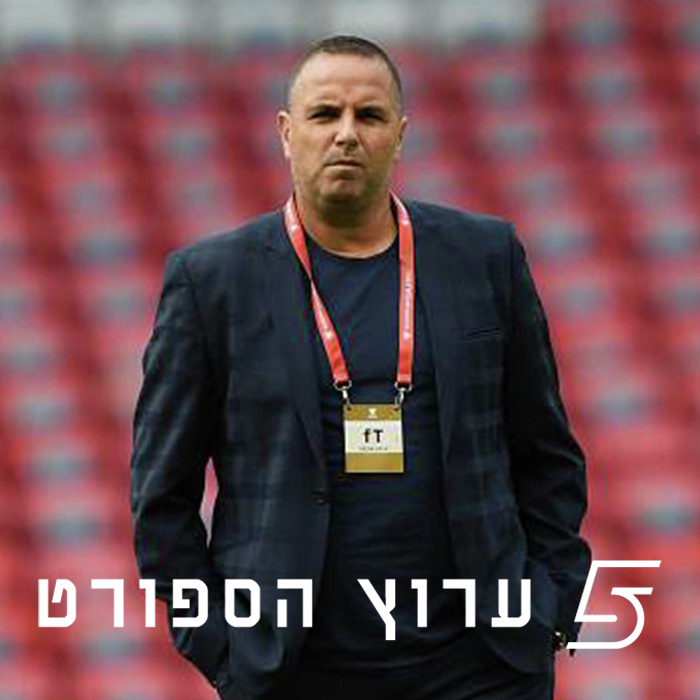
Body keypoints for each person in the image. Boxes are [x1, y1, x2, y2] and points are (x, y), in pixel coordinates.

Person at [130, 35, 591, 700]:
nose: (346, 133)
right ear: (287, 133)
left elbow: (547, 453)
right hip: (296, 670)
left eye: (369, 116)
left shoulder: (485, 257)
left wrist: (552, 607)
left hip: (481, 668)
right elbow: (162, 497)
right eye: (325, 114)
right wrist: (225, 651)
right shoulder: (212, 282)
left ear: (399, 135)